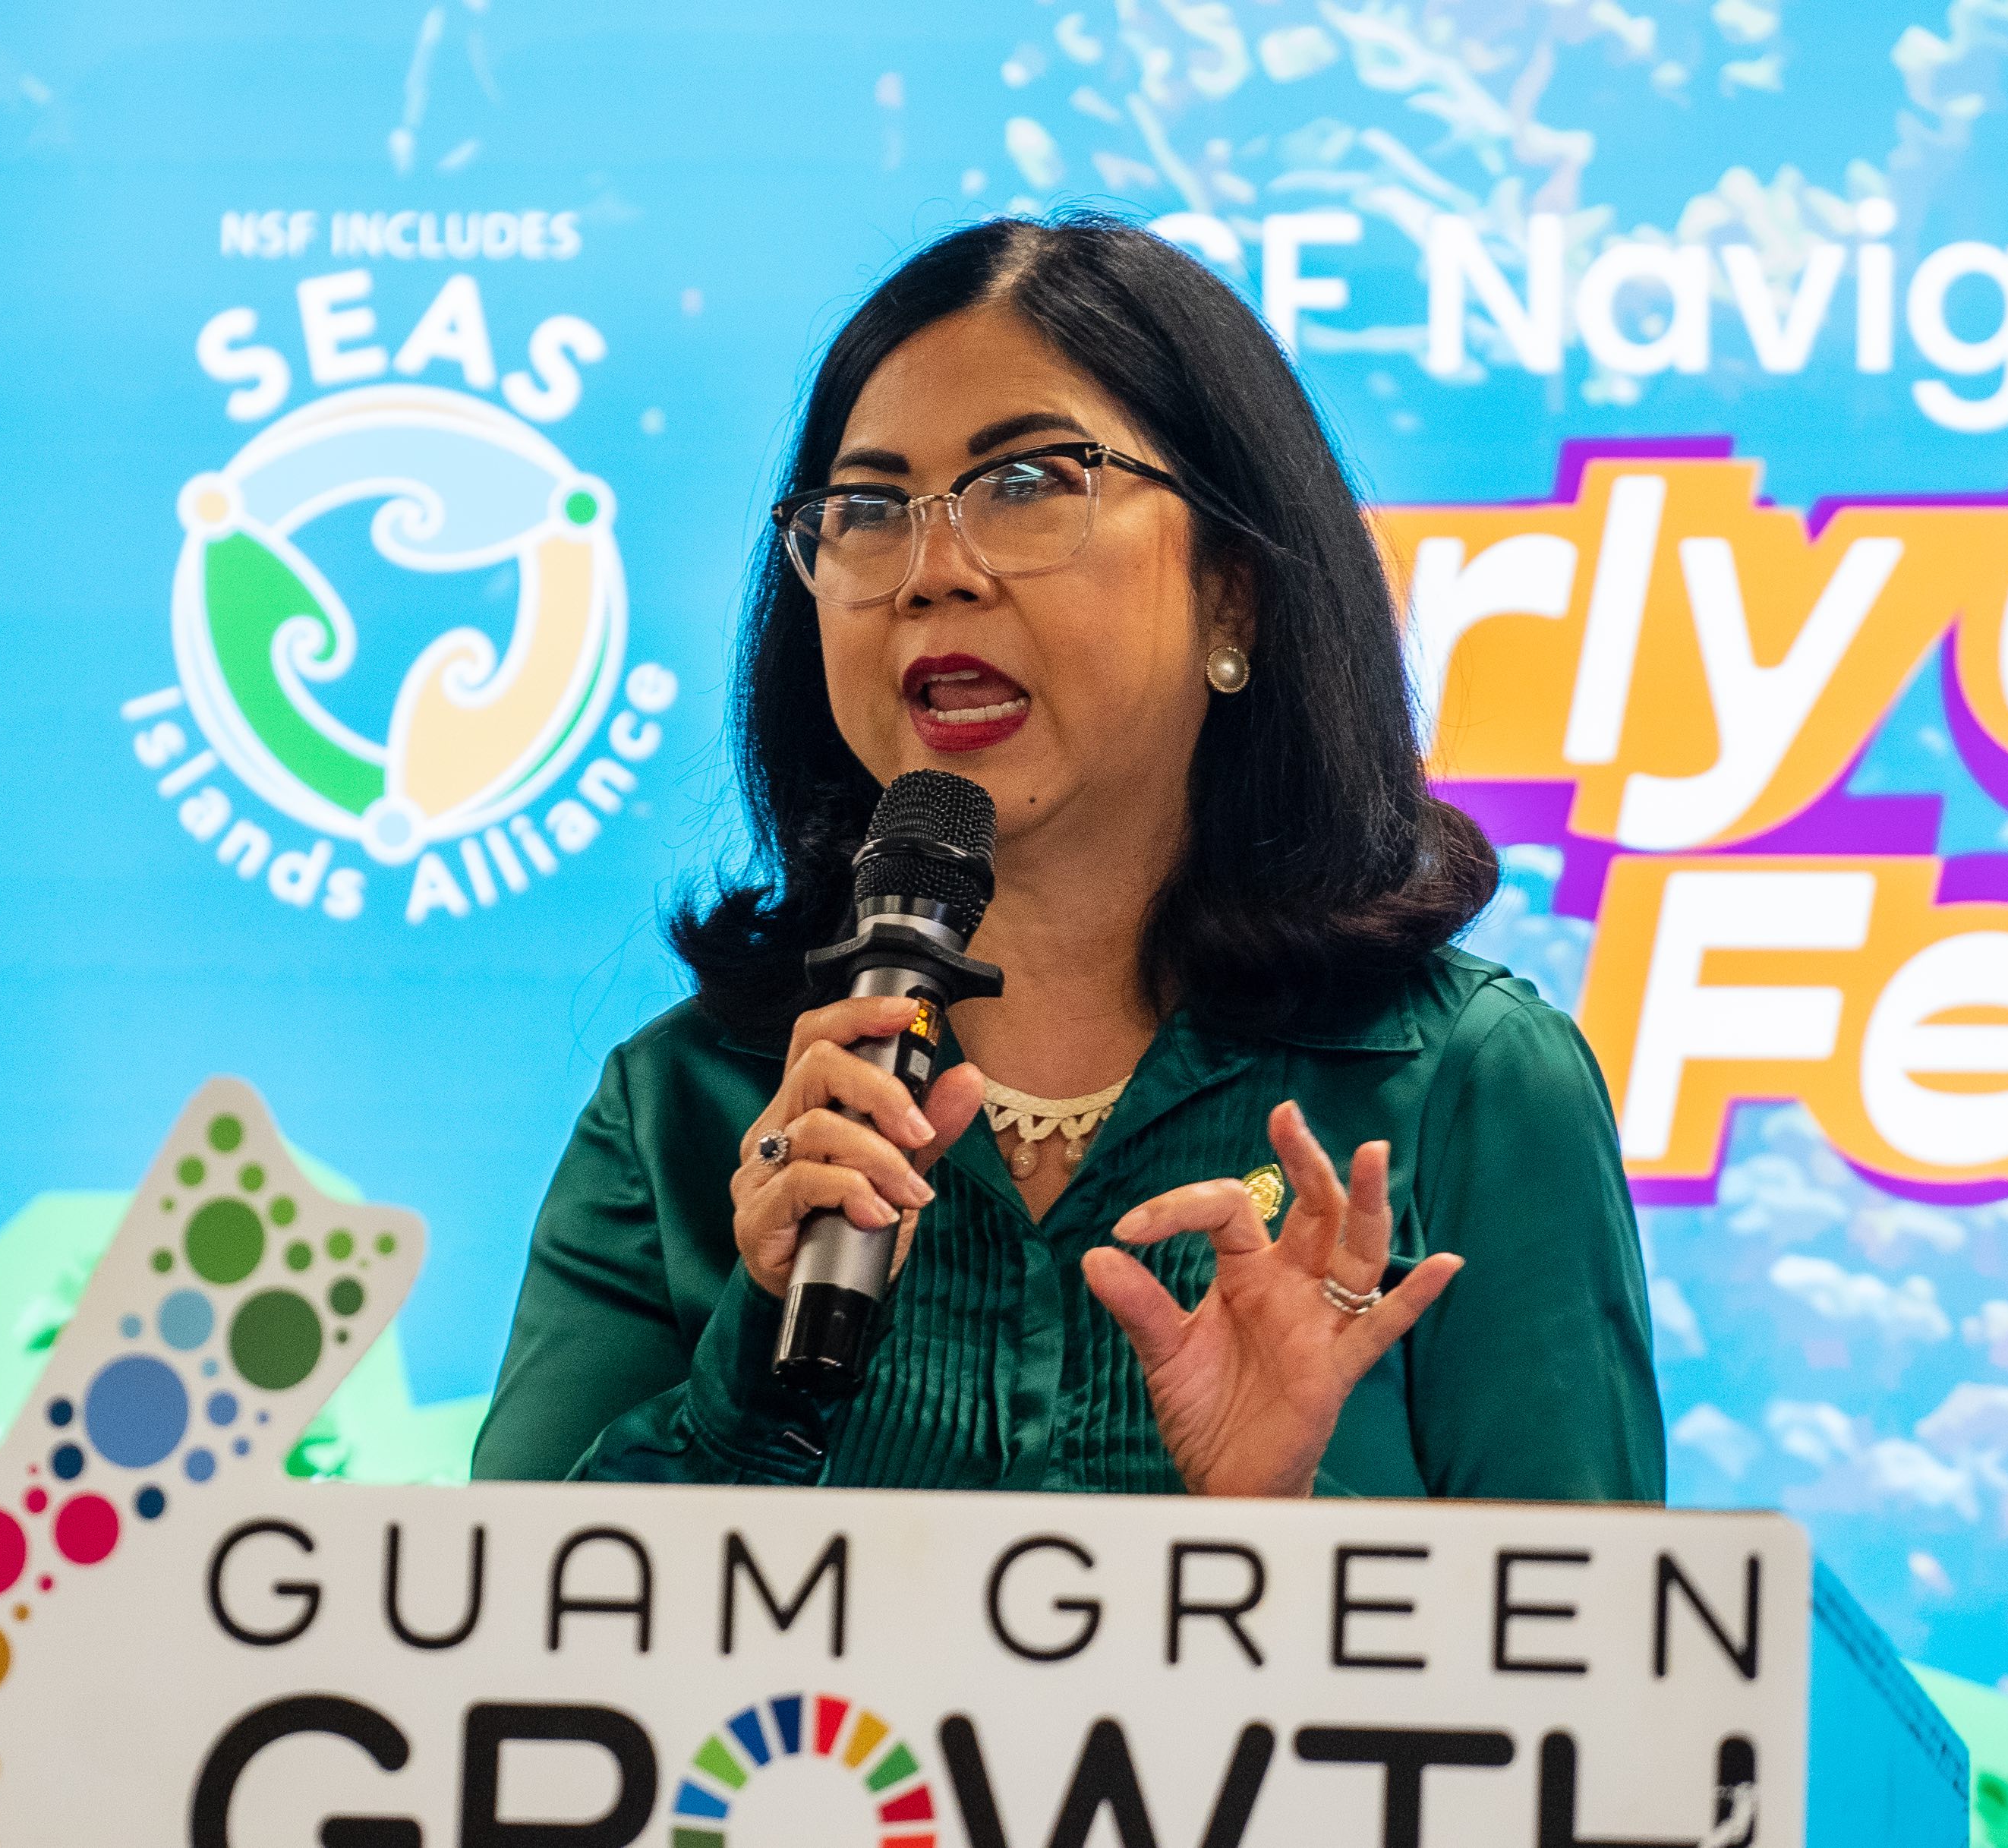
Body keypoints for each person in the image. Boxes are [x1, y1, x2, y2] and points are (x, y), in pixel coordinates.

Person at [471, 213, 1665, 1500]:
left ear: (1235, 588)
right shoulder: (687, 1110)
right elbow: (500, 1617)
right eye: (868, 509)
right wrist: (752, 1371)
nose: (932, 573)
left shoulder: (1467, 1090)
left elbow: (1589, 1628)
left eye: (1030, 483)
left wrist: (1274, 1526)